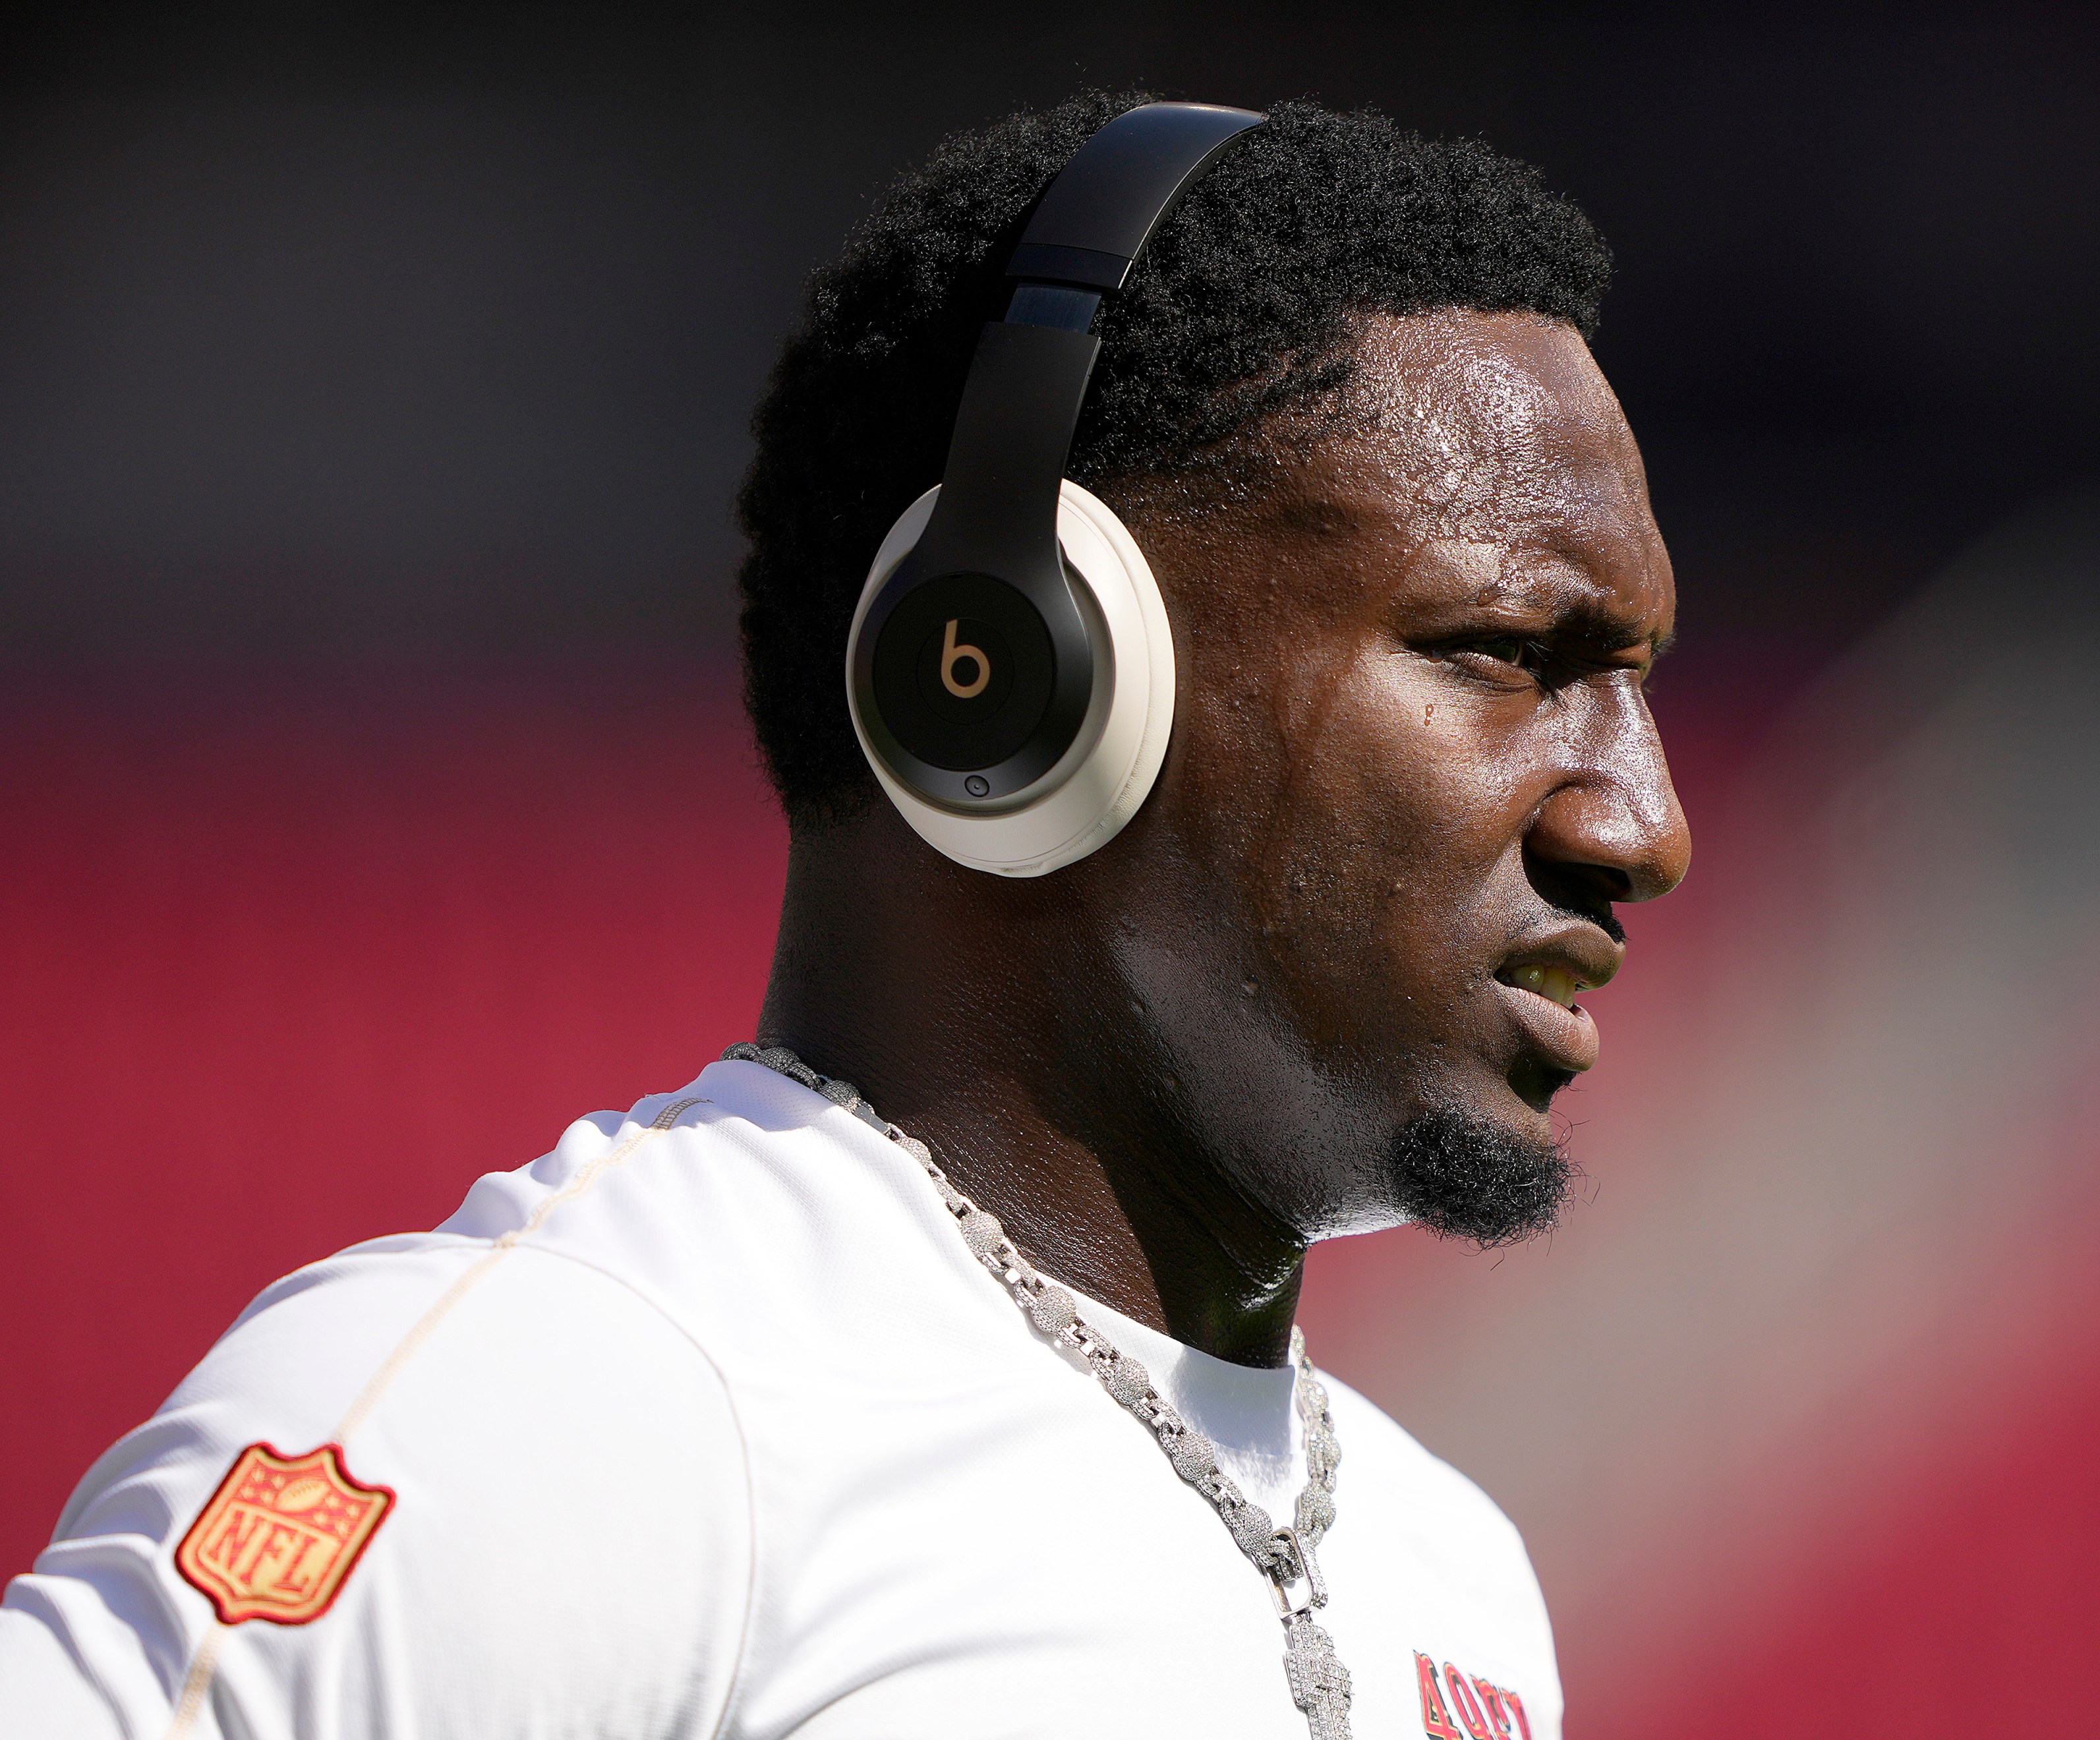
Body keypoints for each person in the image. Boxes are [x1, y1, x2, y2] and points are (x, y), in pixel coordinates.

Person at [0, 91, 1687, 1739]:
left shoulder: (1451, 1570)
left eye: (1634, 684)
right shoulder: (579, 1399)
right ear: (1019, 674)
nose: (1647, 824)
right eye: (1509, 654)